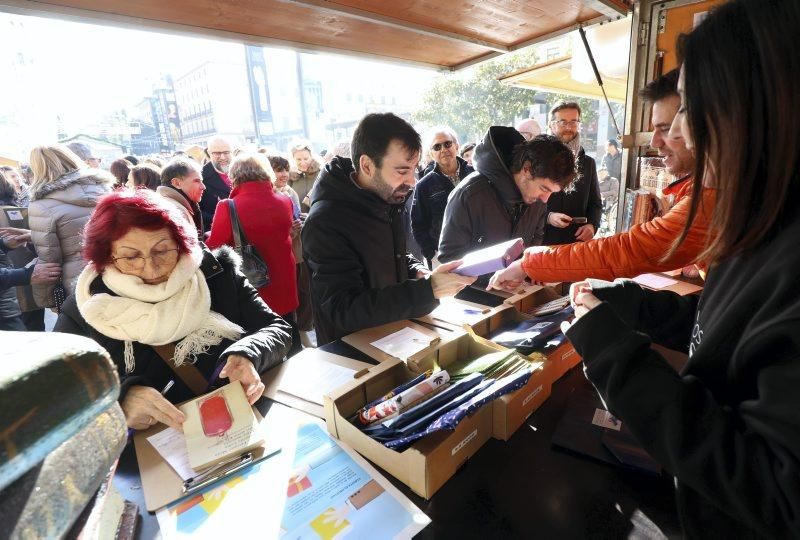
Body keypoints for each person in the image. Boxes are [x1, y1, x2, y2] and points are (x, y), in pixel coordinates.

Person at [560, 1, 800, 536]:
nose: (681, 138)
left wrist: (613, 357)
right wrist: (624, 304)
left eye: (688, 110)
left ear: (749, 109)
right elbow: (723, 327)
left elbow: (776, 495)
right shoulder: (763, 222)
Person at [54, 190, 292, 430]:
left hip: (242, 423)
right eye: (130, 256)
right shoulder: (89, 306)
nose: (151, 269)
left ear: (180, 244)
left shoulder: (215, 272)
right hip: (156, 450)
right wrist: (119, 398)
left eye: (162, 251)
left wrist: (249, 352)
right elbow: (59, 390)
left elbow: (277, 328)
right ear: (106, 257)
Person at [488, 69, 715, 288]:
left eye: (667, 128)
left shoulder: (713, 198)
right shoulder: (706, 190)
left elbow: (629, 250)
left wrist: (534, 262)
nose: (654, 143)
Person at [302, 113, 475, 345]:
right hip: (355, 355)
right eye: (402, 171)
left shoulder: (385, 198)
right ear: (367, 165)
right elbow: (342, 308)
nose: (412, 181)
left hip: (396, 336)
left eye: (414, 169)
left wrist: (417, 271)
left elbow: (392, 254)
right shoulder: (325, 221)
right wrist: (427, 290)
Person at [206, 153, 300, 354]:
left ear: (235, 176)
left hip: (256, 281)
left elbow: (216, 246)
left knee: (265, 334)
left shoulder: (228, 206)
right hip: (284, 276)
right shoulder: (285, 200)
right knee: (290, 326)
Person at [437, 130, 576, 265]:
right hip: (476, 288)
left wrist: (527, 269)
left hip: (519, 286)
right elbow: (450, 257)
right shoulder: (469, 194)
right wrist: (493, 278)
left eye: (552, 192)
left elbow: (536, 240)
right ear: (527, 169)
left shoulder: (538, 200)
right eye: (544, 188)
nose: (545, 199)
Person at [27, 145, 115, 309]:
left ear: (37, 169)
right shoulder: (105, 189)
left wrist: (47, 299)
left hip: (78, 282)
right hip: (117, 270)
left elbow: (49, 259)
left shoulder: (41, 205)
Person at [411, 128, 474, 265]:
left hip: (477, 250)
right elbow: (418, 225)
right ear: (431, 154)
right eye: (437, 147)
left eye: (447, 144)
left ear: (456, 146)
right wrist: (432, 256)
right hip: (444, 257)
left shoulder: (475, 175)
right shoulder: (423, 186)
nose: (443, 149)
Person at [543, 102, 602, 245]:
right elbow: (525, 202)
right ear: (551, 125)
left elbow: (595, 203)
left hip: (576, 243)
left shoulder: (588, 163)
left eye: (573, 122)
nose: (569, 128)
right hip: (542, 241)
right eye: (562, 122)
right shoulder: (539, 159)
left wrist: (592, 225)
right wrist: (548, 217)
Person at [269, 154, 312, 339]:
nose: (284, 174)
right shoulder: (271, 195)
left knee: (304, 294)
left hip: (299, 251)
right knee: (290, 299)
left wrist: (300, 222)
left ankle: (303, 334)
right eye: (279, 170)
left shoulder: (290, 192)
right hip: (284, 255)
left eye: (286, 169)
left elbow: (295, 216)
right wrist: (290, 230)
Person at [156, 158, 205, 239]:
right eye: (197, 181)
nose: (203, 187)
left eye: (202, 181)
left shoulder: (174, 206)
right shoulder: (176, 211)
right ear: (176, 183)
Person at [200, 135, 235, 232]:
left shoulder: (244, 171)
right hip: (217, 232)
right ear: (209, 153)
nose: (222, 157)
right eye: (217, 153)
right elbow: (197, 211)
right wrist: (221, 219)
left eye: (226, 152)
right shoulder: (200, 177)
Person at [289, 142, 323, 212]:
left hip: (317, 217)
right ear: (293, 159)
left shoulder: (321, 173)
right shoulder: (289, 176)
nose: (303, 162)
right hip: (297, 220)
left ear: (311, 157)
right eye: (298, 159)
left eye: (306, 159)